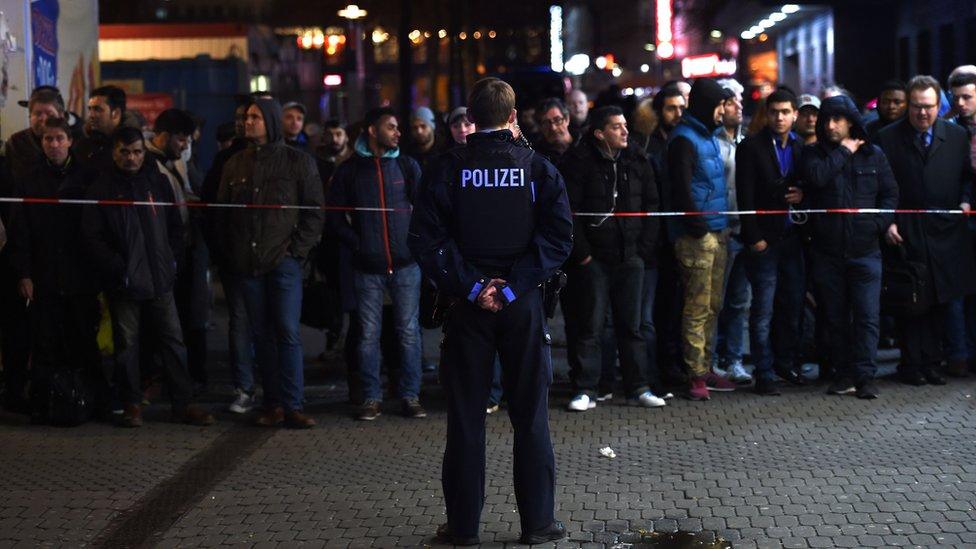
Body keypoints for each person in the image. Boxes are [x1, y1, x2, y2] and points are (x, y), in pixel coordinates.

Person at [409, 77, 572, 546]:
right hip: (522, 308)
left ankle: (463, 529)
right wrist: (516, 287)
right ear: (514, 115)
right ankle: (538, 525)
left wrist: (475, 285)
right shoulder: (537, 169)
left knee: (465, 417)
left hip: (467, 307)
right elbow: (558, 238)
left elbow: (426, 240)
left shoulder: (445, 169)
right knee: (531, 415)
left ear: (470, 118)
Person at [82, 127, 215, 427]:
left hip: (160, 278)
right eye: (124, 152)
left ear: (144, 152)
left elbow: (175, 225)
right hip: (124, 282)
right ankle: (131, 404)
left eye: (137, 152)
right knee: (127, 345)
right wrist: (117, 268)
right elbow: (92, 237)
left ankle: (183, 404)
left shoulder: (157, 182)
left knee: (173, 342)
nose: (131, 158)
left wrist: (171, 260)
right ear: (114, 152)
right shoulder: (102, 187)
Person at [216, 98, 325, 428]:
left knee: (287, 332)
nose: (248, 122)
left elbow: (314, 210)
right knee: (260, 334)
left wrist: (296, 251)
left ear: (272, 122)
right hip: (248, 262)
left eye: (255, 117)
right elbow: (223, 214)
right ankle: (273, 403)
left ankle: (293, 403)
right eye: (247, 117)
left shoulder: (297, 162)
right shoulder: (234, 164)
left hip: (284, 261)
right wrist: (232, 252)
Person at [559, 105, 665, 411]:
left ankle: (638, 387)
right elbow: (570, 212)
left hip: (631, 256)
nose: (625, 131)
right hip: (594, 260)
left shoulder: (637, 159)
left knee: (631, 326)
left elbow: (652, 205)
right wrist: (584, 255)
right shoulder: (579, 162)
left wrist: (643, 249)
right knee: (590, 326)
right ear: (599, 133)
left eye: (625, 125)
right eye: (616, 127)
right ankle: (586, 389)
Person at [877, 76, 976, 386]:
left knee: (940, 299)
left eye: (929, 107)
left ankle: (932, 363)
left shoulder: (957, 136)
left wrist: (965, 200)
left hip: (945, 231)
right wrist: (888, 221)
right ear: (909, 105)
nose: (923, 114)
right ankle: (911, 363)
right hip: (906, 231)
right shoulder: (888, 138)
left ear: (938, 106)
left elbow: (966, 178)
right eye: (917, 107)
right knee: (911, 299)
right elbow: (879, 187)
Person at [328, 107, 426, 422]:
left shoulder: (407, 166)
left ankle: (410, 395)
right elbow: (334, 216)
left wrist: (414, 243)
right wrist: (357, 244)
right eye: (391, 127)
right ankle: (372, 397)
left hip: (406, 265)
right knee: (368, 334)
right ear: (372, 130)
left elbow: (425, 211)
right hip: (367, 266)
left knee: (408, 332)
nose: (398, 133)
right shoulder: (350, 171)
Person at [800, 95, 899, 399]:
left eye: (838, 119)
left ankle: (866, 376)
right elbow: (816, 179)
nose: (831, 125)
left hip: (865, 250)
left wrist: (877, 225)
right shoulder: (814, 155)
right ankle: (843, 374)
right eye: (827, 119)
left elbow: (890, 195)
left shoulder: (874, 155)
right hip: (828, 251)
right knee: (835, 316)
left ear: (851, 121)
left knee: (868, 316)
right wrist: (843, 151)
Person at [7, 117, 101, 423]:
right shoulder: (29, 178)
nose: (55, 144)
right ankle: (45, 404)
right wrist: (24, 274)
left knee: (83, 339)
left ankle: (90, 401)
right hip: (44, 274)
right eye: (49, 139)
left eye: (60, 138)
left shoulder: (86, 177)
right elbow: (20, 231)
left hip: (79, 276)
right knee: (44, 343)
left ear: (71, 141)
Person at [665, 78, 738, 400]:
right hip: (697, 237)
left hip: (717, 231)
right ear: (710, 105)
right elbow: (680, 189)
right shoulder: (684, 139)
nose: (725, 110)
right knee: (696, 307)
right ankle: (695, 374)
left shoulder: (708, 136)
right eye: (722, 104)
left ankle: (706, 366)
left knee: (713, 305)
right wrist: (697, 227)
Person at [735, 89, 808, 395]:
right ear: (768, 113)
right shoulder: (751, 147)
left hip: (793, 237)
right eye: (775, 111)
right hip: (765, 239)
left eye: (786, 111)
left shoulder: (802, 146)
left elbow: (810, 183)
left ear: (795, 114)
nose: (780, 117)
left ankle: (784, 363)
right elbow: (744, 193)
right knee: (762, 309)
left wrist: (802, 196)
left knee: (791, 305)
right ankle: (763, 371)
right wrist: (754, 237)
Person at [0, 87, 65, 413]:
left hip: (59, 256)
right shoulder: (16, 145)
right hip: (21, 247)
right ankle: (15, 391)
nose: (42, 121)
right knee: (18, 328)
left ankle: (55, 392)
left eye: (48, 114)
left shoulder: (68, 145)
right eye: (36, 114)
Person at [146, 109, 211, 391]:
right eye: (181, 140)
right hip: (161, 255)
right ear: (163, 136)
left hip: (185, 249)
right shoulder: (147, 165)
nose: (185, 146)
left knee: (188, 316)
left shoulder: (178, 162)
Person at [203, 99, 258, 414]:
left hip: (272, 258)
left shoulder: (285, 158)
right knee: (240, 322)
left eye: (251, 118)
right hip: (235, 257)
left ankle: (279, 389)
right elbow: (214, 212)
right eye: (240, 118)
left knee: (274, 325)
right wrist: (221, 251)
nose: (244, 124)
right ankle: (244, 387)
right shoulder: (225, 160)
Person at [712, 78, 752, 386]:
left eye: (739, 99)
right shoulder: (711, 142)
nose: (738, 105)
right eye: (730, 100)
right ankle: (711, 360)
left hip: (744, 230)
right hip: (719, 231)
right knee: (716, 300)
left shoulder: (748, 139)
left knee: (740, 300)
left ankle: (735, 358)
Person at [74, 85, 126, 169]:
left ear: (116, 113)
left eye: (97, 109)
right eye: (90, 109)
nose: (91, 115)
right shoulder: (83, 145)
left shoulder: (132, 146)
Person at [532, 98, 574, 164]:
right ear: (540, 127)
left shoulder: (586, 145)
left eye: (557, 120)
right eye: (546, 123)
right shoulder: (537, 157)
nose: (553, 128)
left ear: (567, 119)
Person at [404, 106, 441, 173]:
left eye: (423, 126)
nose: (419, 131)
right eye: (415, 128)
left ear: (432, 127)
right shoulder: (408, 156)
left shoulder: (444, 152)